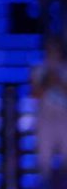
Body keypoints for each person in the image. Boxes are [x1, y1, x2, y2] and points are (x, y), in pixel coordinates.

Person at [31, 36, 67, 183]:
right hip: (45, 113)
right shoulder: (38, 70)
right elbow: (35, 94)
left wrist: (58, 81)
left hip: (64, 113)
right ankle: (45, 179)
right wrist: (47, 82)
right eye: (50, 50)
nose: (52, 53)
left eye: (55, 50)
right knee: (44, 152)